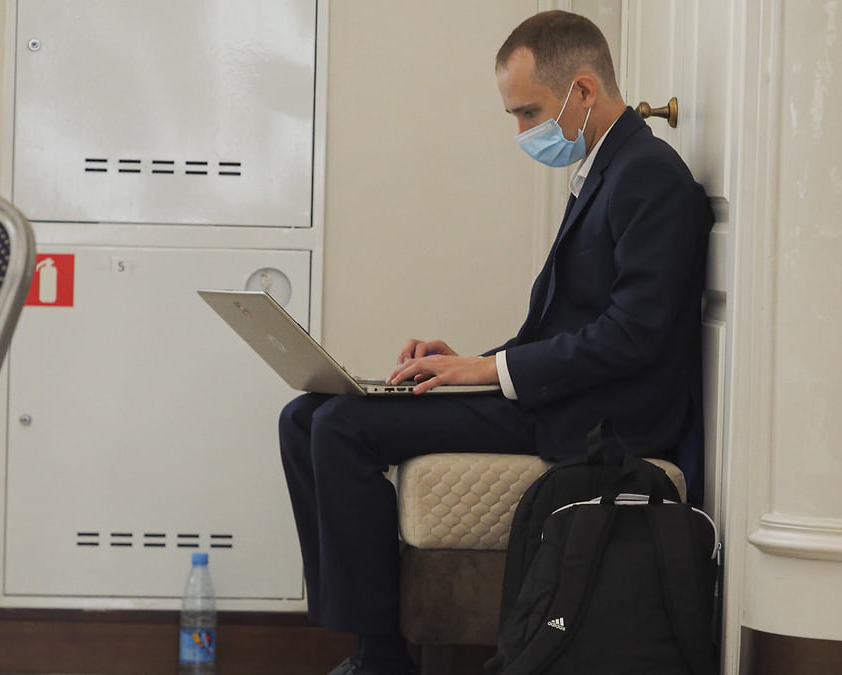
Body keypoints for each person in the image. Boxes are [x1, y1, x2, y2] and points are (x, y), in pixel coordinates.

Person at [279, 10, 712, 675]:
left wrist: (489, 370)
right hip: (560, 394)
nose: (521, 132)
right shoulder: (608, 169)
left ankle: (381, 656)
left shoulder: (648, 175)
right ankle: (364, 640)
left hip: (600, 417)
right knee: (303, 416)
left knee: (340, 426)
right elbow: (568, 328)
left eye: (528, 112)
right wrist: (465, 363)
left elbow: (633, 335)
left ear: (583, 89)